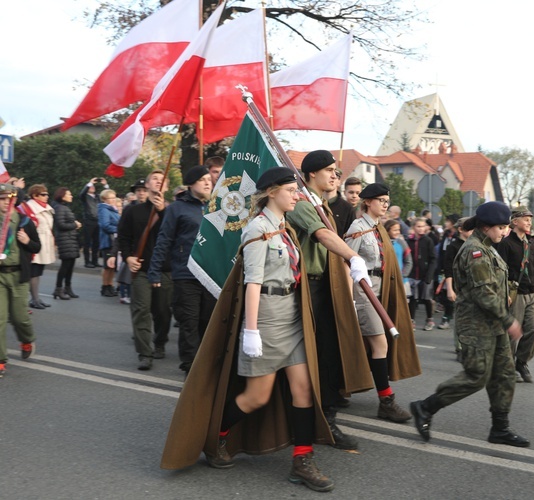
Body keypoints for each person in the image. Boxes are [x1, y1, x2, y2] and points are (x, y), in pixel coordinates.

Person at [161, 168, 335, 492]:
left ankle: (302, 461)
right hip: (267, 319)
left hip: (291, 317)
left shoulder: (285, 227)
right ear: (271, 192)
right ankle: (218, 436)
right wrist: (251, 331)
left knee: (304, 390)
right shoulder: (257, 228)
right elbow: (252, 283)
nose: (297, 195)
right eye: (291, 190)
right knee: (256, 397)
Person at [410, 202, 528, 447]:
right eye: (501, 227)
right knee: (476, 376)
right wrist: (509, 320)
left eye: (506, 227)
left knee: (505, 375)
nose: (504, 232)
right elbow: (484, 294)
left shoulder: (489, 247)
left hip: (493, 323)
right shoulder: (474, 251)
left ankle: (500, 428)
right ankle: (425, 407)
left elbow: (493, 284)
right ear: (486, 227)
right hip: (477, 325)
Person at [286, 150, 375, 450]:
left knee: (331, 352)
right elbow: (322, 235)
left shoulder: (321, 202)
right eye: (329, 170)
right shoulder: (300, 201)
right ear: (311, 174)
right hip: (305, 290)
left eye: (336, 170)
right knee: (306, 357)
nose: (335, 175)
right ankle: (305, 422)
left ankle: (325, 418)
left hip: (326, 285)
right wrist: (353, 257)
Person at [344, 183, 420, 423]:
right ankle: (386, 401)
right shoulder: (358, 227)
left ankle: (341, 386)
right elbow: (345, 263)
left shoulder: (379, 228)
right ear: (368, 202)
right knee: (380, 344)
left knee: (370, 345)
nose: (385, 205)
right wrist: (348, 301)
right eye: (381, 200)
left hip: (380, 289)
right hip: (363, 291)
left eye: (387, 201)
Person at [149, 165, 216, 376]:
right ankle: (190, 368)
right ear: (190, 184)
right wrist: (155, 270)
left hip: (211, 275)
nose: (208, 182)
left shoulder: (218, 207)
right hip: (186, 274)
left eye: (209, 179)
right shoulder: (176, 209)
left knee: (208, 322)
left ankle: (205, 365)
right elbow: (164, 240)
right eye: (202, 179)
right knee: (189, 322)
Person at [117, 170, 173, 371]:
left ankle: (159, 343)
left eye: (162, 180)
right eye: (155, 179)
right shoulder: (133, 211)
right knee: (141, 311)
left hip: (165, 270)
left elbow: (176, 237)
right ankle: (144, 353)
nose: (158, 182)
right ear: (147, 185)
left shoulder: (172, 210)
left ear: (166, 187)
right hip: (141, 269)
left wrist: (162, 212)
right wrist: (128, 257)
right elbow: (122, 237)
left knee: (163, 312)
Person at [495, 206, 534, 383]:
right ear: (514, 222)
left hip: (531, 293)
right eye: (526, 219)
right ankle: (508, 365)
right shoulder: (505, 244)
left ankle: (522, 362)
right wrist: (503, 292)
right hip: (515, 293)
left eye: (530, 219)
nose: (529, 222)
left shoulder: (530, 244)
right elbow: (500, 271)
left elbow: (532, 271)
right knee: (514, 333)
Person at [0, 184, 40, 377]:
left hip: (18, 275)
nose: (6, 202)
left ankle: (26, 339)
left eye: (9, 199)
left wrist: (26, 241)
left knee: (19, 318)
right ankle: (0, 360)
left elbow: (36, 247)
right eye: (2, 199)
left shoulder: (24, 221)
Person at [19, 184, 55, 309]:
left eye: (47, 194)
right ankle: (34, 299)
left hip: (44, 243)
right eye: (43, 194)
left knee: (38, 272)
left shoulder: (46, 207)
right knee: (33, 272)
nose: (47, 197)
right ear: (35, 195)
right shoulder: (29, 208)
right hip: (34, 242)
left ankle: (36, 298)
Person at [441, 217, 472, 357]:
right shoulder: (453, 246)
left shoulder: (475, 245)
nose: (473, 231)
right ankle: (460, 347)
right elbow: (448, 269)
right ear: (460, 229)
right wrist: (450, 288)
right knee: (461, 318)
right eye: (470, 228)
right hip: (458, 286)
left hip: (473, 286)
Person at [407, 217, 438, 330]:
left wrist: (429, 275)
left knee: (426, 298)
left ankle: (429, 319)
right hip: (412, 275)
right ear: (413, 228)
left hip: (426, 275)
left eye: (423, 226)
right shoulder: (409, 241)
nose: (421, 229)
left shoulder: (428, 240)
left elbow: (433, 259)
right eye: (418, 226)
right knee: (413, 299)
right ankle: (411, 320)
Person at [51, 187, 82, 300]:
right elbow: (61, 225)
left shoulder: (63, 207)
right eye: (69, 194)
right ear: (63, 196)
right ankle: (58, 289)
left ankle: (67, 288)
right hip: (65, 240)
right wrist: (75, 225)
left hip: (70, 239)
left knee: (70, 265)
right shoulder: (60, 208)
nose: (71, 196)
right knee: (65, 266)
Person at [436, 214, 459, 329]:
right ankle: (447, 314)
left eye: (448, 221)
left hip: (454, 270)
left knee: (452, 294)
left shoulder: (458, 237)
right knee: (444, 294)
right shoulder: (445, 235)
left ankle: (447, 317)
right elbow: (441, 252)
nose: (446, 223)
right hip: (443, 268)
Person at [79, 177, 108, 268]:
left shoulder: (98, 197)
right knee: (87, 242)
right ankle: (87, 261)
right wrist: (90, 183)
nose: (92, 187)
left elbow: (108, 196)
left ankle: (95, 261)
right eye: (90, 186)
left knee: (97, 242)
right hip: (89, 221)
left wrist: (105, 185)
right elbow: (82, 193)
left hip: (98, 221)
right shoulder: (85, 197)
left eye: (93, 186)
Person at [98, 189, 120, 297]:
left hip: (114, 241)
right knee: (107, 266)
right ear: (104, 199)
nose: (113, 200)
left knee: (112, 266)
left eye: (114, 197)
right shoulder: (104, 210)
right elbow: (105, 225)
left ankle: (110, 285)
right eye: (110, 198)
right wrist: (119, 229)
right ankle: (105, 286)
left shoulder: (112, 209)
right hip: (108, 241)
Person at [326, 168, 356, 239]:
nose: (333, 178)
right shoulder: (313, 203)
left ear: (339, 181)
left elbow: (351, 237)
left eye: (336, 175)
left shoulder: (347, 209)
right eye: (329, 174)